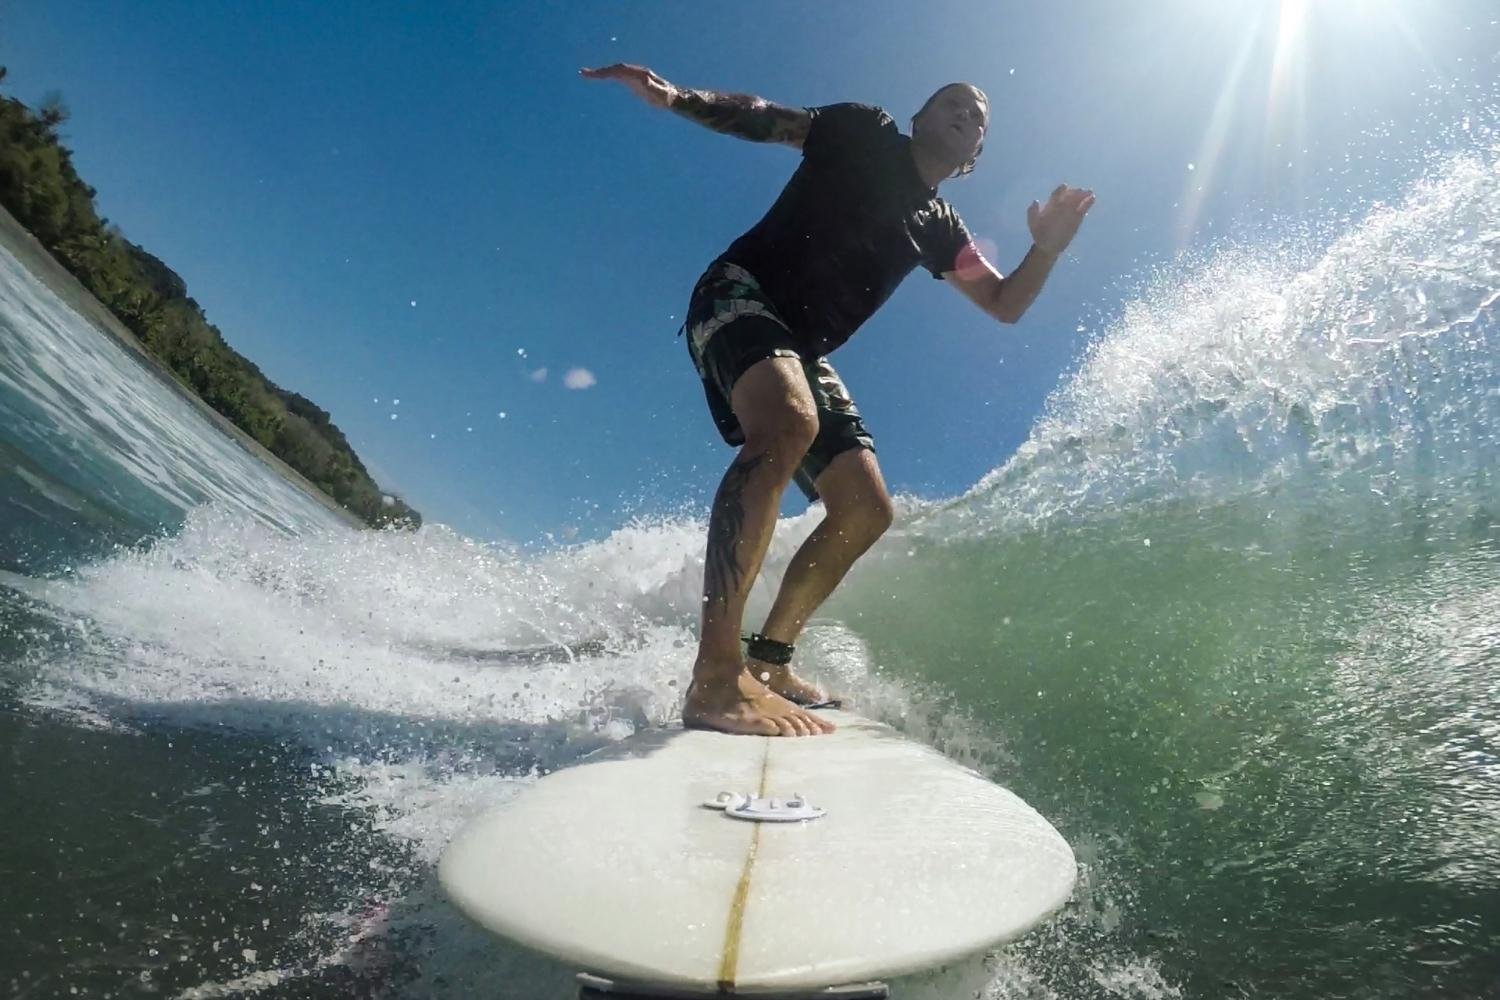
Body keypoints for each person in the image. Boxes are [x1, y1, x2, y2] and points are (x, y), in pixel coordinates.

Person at [582, 64, 1094, 738]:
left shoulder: (940, 225)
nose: (966, 115)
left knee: (865, 509)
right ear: (917, 118)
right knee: (789, 422)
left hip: (800, 349)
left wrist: (1046, 249)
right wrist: (678, 98)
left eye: (977, 119)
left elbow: (1004, 302)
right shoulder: (864, 132)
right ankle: (714, 679)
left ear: (974, 158)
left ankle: (767, 663)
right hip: (738, 290)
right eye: (951, 103)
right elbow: (769, 115)